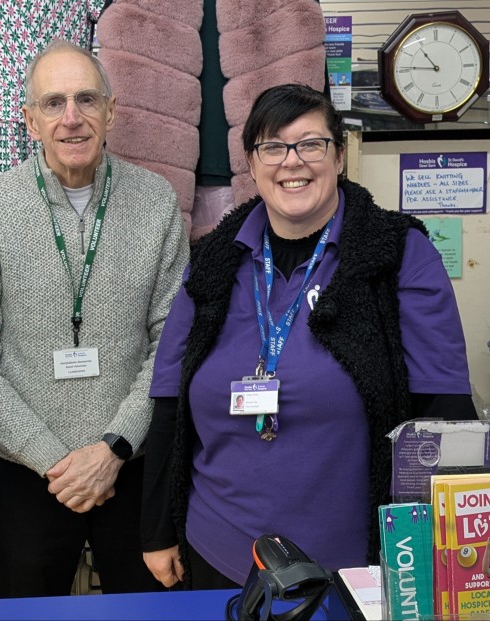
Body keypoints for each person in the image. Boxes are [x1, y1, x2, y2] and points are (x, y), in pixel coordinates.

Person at [141, 83, 477, 590]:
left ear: (339, 156)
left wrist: (446, 557)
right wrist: (157, 531)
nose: (291, 161)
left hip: (356, 562)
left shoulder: (397, 254)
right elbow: (169, 400)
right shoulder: (213, 262)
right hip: (218, 551)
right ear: (252, 164)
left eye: (311, 144)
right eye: (273, 147)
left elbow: (443, 415)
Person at [0, 39, 188, 598]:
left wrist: (114, 448)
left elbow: (172, 344)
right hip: (25, 471)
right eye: (53, 103)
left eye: (86, 99)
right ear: (30, 120)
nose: (71, 118)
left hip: (131, 465)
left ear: (111, 112)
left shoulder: (155, 201)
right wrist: (54, 460)